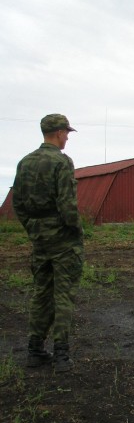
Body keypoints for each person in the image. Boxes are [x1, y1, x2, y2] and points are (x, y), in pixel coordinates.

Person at [12, 113, 83, 372]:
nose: (67, 137)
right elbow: (67, 204)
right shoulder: (61, 162)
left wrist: (32, 228)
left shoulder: (25, 162)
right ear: (57, 132)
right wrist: (75, 230)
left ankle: (35, 350)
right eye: (66, 132)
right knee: (63, 294)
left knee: (41, 293)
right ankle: (61, 354)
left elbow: (17, 203)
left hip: (39, 239)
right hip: (63, 239)